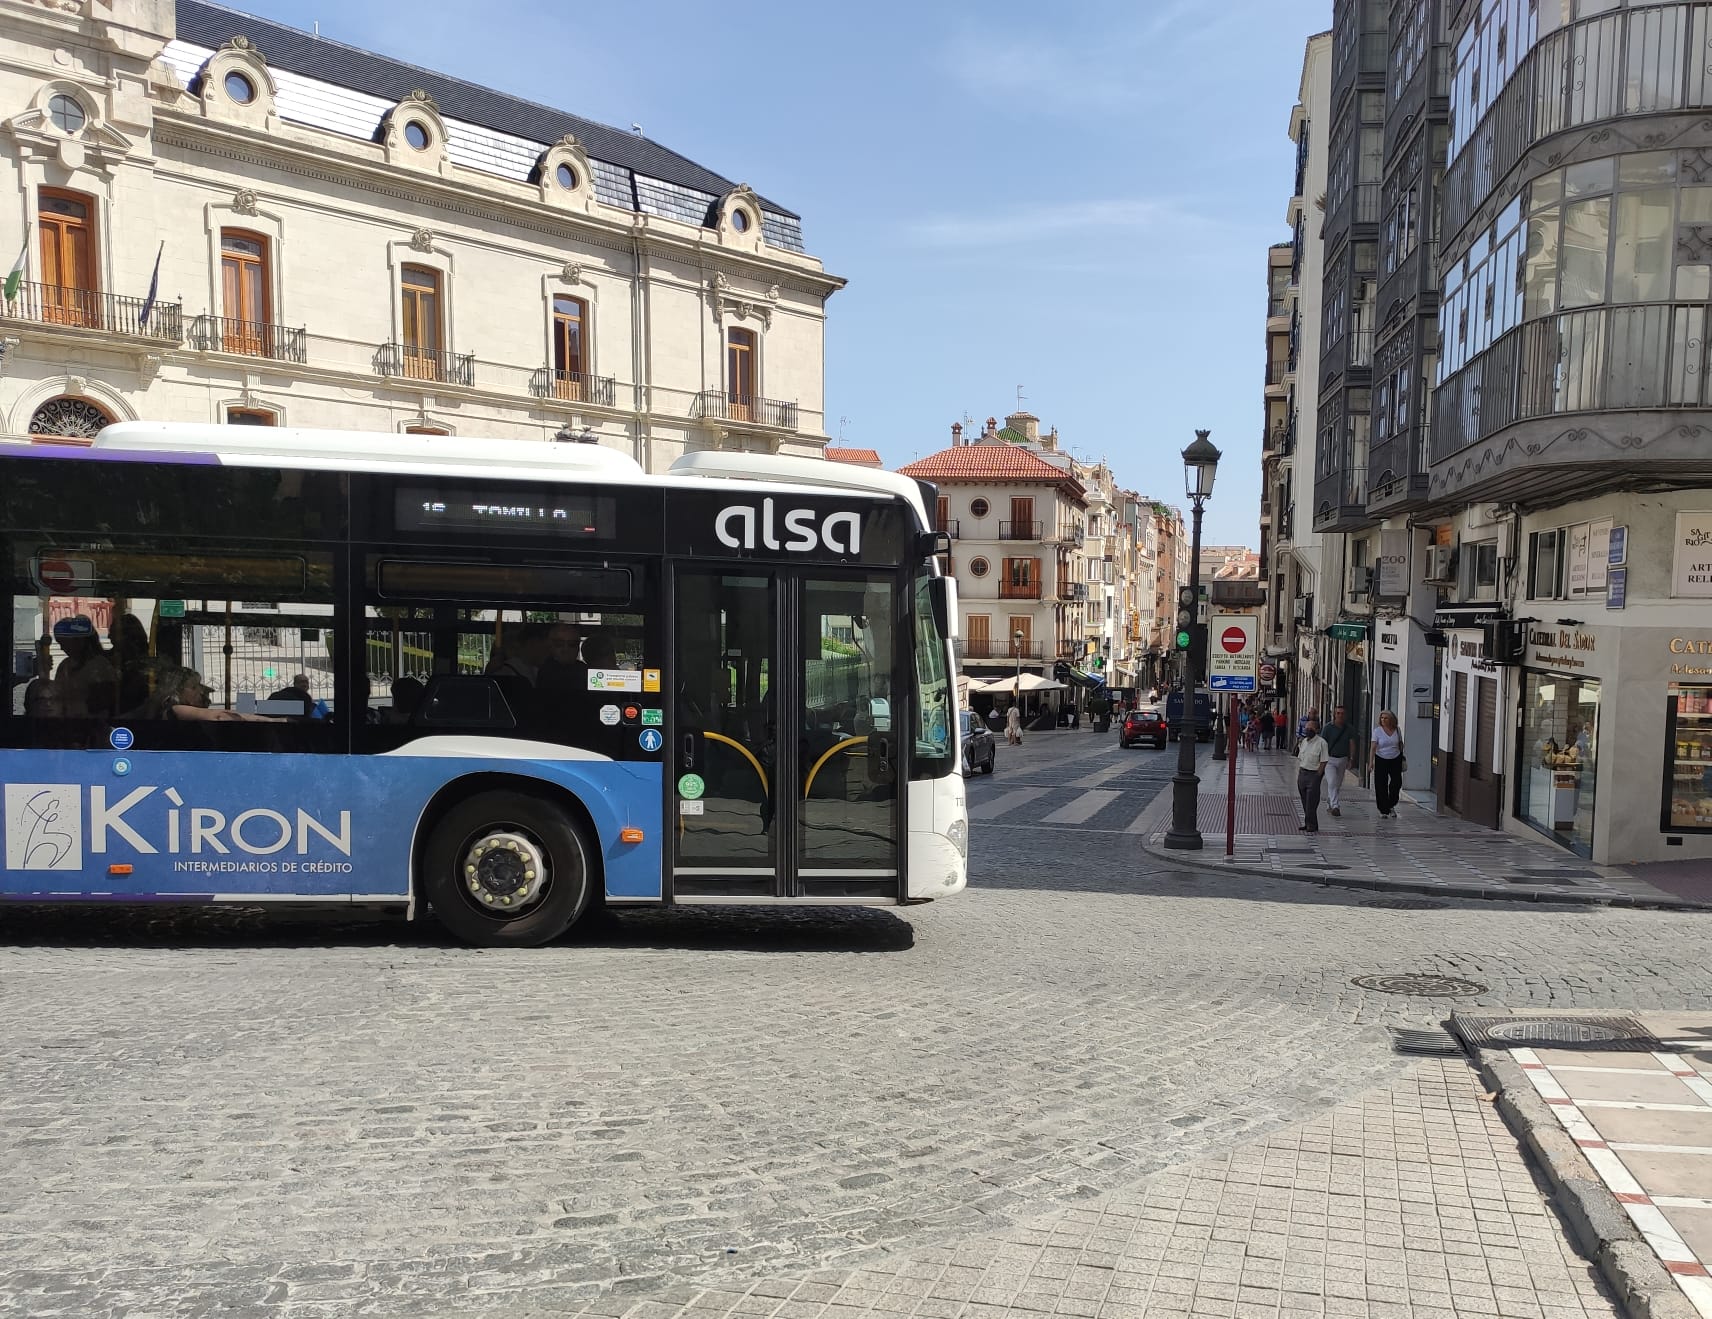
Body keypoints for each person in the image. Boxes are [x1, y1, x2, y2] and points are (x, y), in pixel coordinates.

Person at [149, 666, 280, 722]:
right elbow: (220, 717)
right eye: (193, 687)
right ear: (176, 690)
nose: (200, 691)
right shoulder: (175, 710)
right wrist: (273, 720)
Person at [51, 616, 117, 718]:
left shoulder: (100, 666)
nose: (62, 648)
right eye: (60, 643)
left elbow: (103, 704)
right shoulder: (64, 666)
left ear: (79, 641)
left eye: (64, 642)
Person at [1322, 705, 1357, 817]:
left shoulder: (1349, 729)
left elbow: (1352, 744)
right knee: (1332, 781)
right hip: (1330, 759)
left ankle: (1330, 800)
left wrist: (1351, 759)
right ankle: (1335, 806)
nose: (1340, 715)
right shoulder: (1327, 728)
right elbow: (1322, 744)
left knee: (1337, 784)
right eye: (1338, 713)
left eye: (1342, 713)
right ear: (1334, 715)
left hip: (1343, 759)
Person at [1296, 716, 1329, 832]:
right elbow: (1301, 758)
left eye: (1310, 728)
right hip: (1302, 773)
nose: (1307, 730)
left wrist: (1318, 775)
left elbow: (1324, 760)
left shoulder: (1322, 743)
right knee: (1304, 800)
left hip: (1313, 774)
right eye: (1306, 728)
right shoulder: (1304, 741)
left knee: (1312, 801)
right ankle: (1309, 823)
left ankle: (1312, 825)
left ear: (1316, 730)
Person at [1371, 709, 1405, 819]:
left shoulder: (1397, 730)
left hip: (1395, 758)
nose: (1383, 720)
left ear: (1391, 719)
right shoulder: (1377, 731)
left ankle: (1391, 804)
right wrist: (1370, 762)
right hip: (1381, 758)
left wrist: (1401, 753)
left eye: (1386, 718)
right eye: (1382, 718)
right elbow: (1373, 748)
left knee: (1396, 783)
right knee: (1381, 784)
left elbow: (1400, 744)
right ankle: (1383, 809)